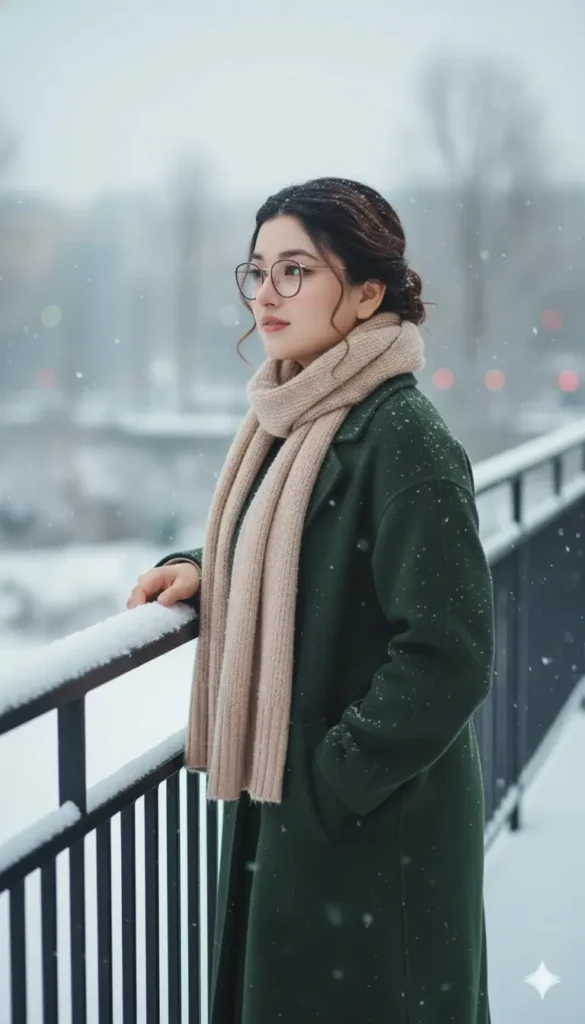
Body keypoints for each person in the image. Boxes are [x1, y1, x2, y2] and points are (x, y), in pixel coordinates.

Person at [127, 177, 495, 1024]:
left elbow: (448, 655)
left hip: (371, 831)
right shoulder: (292, 417)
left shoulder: (404, 439)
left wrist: (333, 776)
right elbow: (285, 545)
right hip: (297, 814)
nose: (265, 294)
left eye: (295, 270)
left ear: (367, 293)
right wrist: (203, 567)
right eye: (256, 270)